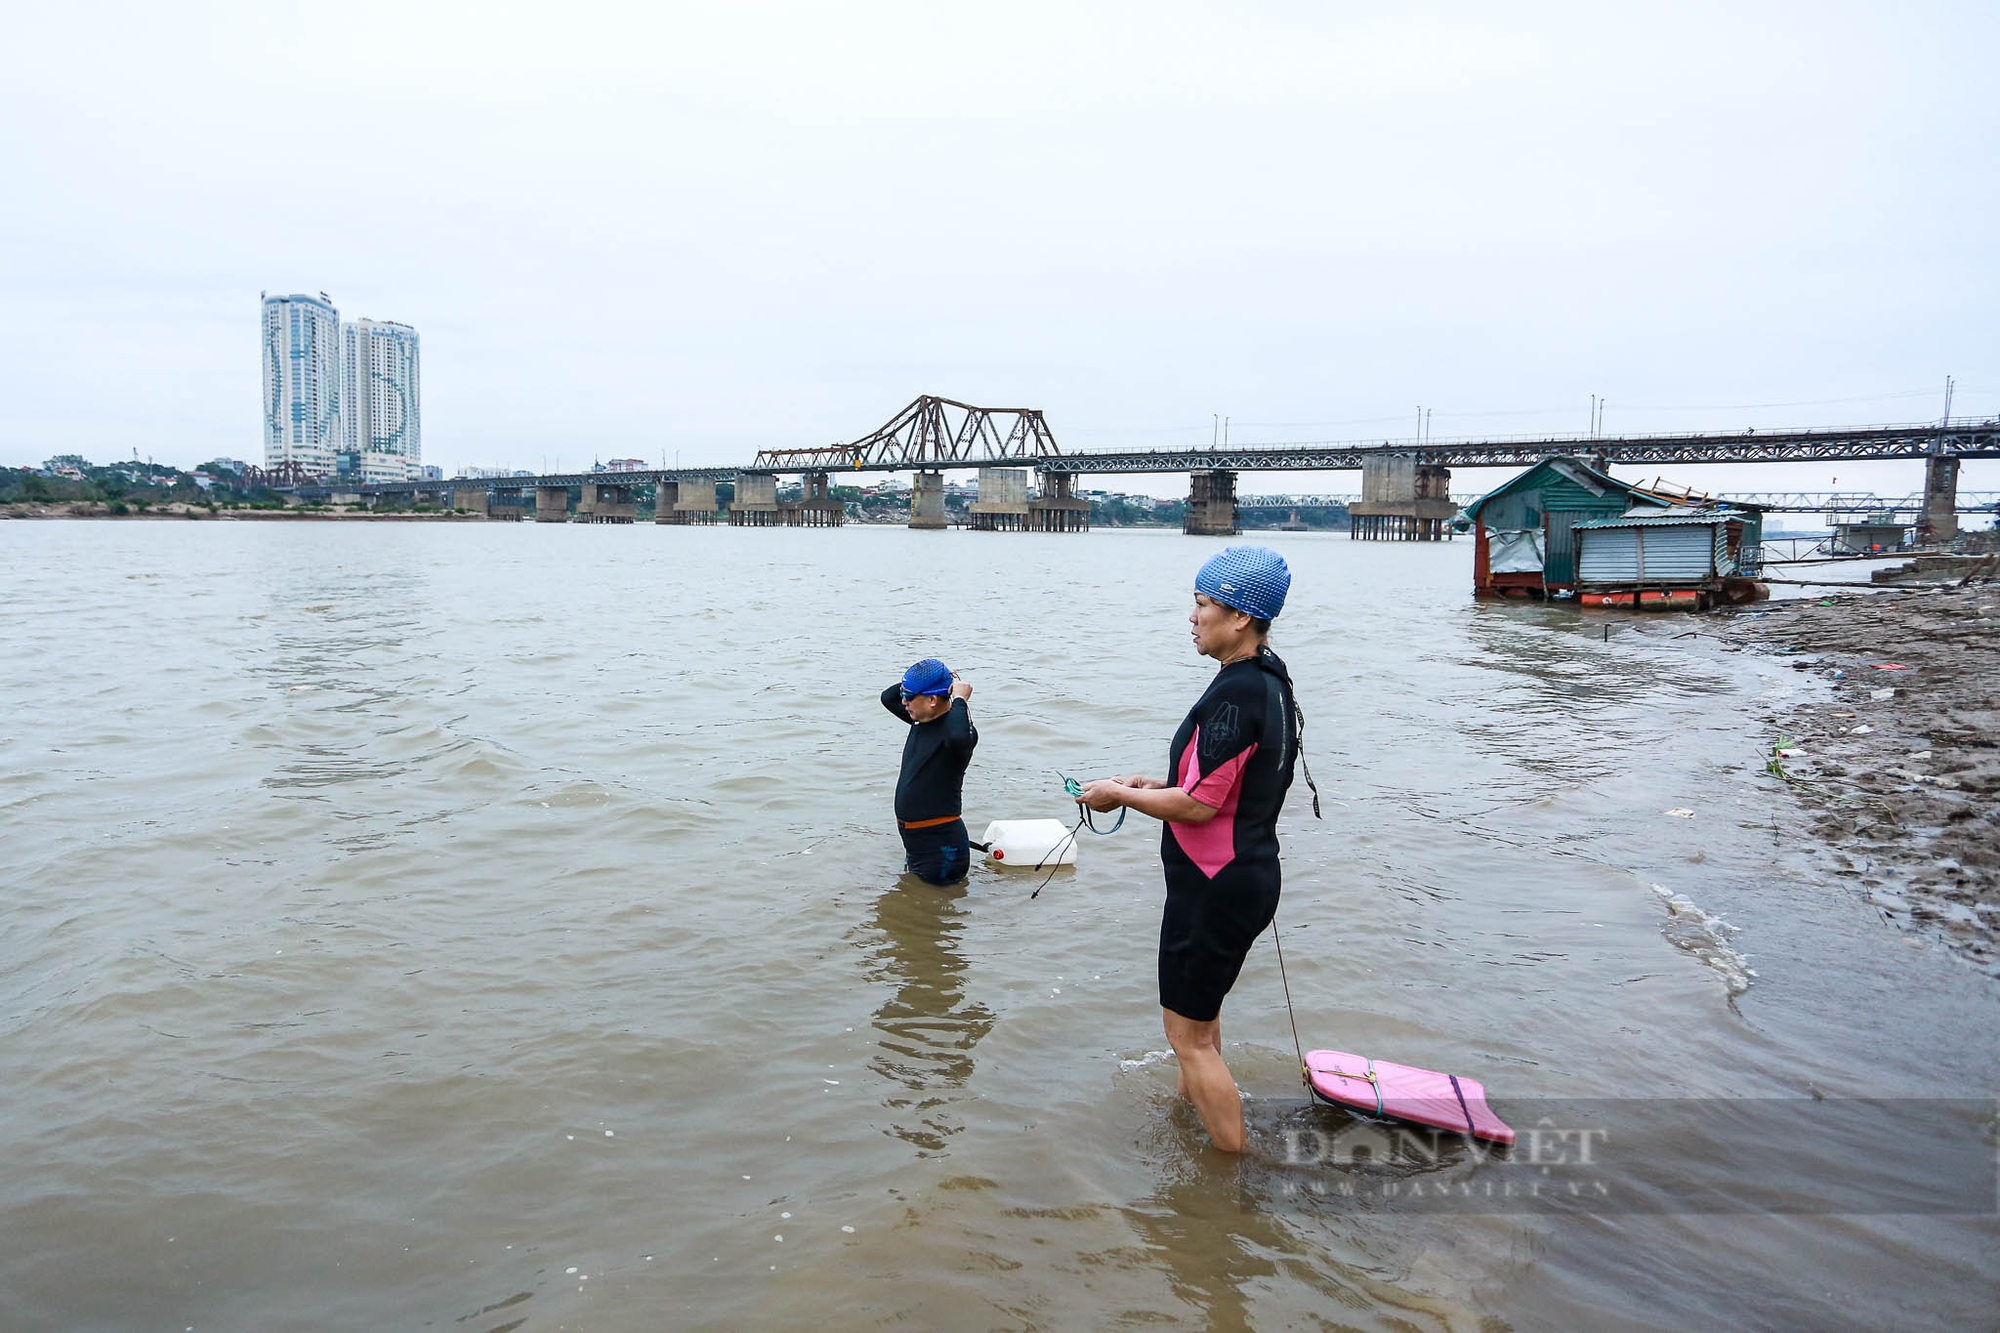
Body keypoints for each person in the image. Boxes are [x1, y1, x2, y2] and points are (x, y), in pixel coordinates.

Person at [1074, 546, 1308, 1153]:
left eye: (1202, 604)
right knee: (1200, 1026)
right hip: (1243, 875)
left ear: (1239, 617)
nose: (1192, 617)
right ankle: (1190, 1127)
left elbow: (1202, 807)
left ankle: (1234, 1173)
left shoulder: (1234, 694)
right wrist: (1157, 786)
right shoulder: (1268, 681)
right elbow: (1222, 789)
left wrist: (1117, 795)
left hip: (1215, 886)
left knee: (1188, 1037)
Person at [880, 658, 978, 886]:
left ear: (932, 700)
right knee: (917, 908)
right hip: (917, 844)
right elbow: (887, 697)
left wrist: (960, 699)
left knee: (939, 915)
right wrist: (940, 676)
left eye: (909, 697)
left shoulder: (958, 736)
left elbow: (958, 736)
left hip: (942, 847)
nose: (903, 701)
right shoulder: (920, 720)